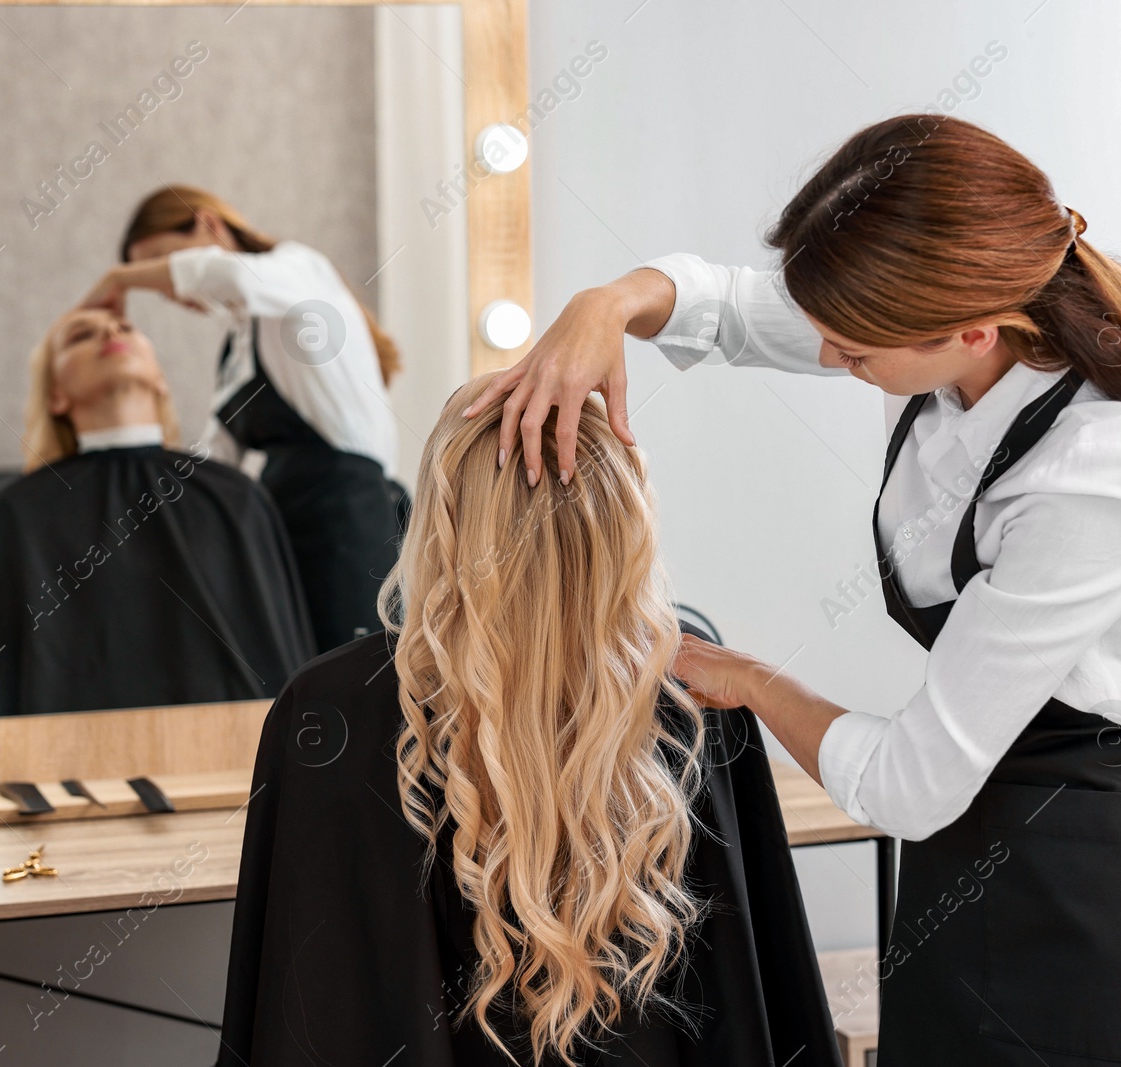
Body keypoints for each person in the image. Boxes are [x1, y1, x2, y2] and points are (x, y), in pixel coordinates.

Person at [467, 114, 1121, 1065]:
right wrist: (607, 303)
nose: (828, 357)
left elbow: (908, 783)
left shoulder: (1099, 471)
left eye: (854, 350)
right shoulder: (954, 341)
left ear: (971, 327)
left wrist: (754, 680)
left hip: (1110, 893)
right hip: (972, 855)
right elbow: (733, 309)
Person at [215, 376, 840, 1067]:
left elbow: (321, 1003)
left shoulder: (333, 703)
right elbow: (754, 998)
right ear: (624, 519)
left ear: (441, 517)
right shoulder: (694, 684)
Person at [78, 184, 409, 654]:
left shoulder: (298, 269)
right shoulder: (240, 344)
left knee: (357, 682)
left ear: (210, 225)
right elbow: (213, 462)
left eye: (160, 262)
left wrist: (120, 279)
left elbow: (229, 276)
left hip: (350, 527)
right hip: (284, 531)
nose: (168, 291)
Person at [0, 306, 315, 715]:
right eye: (80, 336)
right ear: (55, 395)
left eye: (125, 325)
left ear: (161, 380)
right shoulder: (21, 513)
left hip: (235, 753)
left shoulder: (235, 496)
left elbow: (279, 652)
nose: (110, 332)